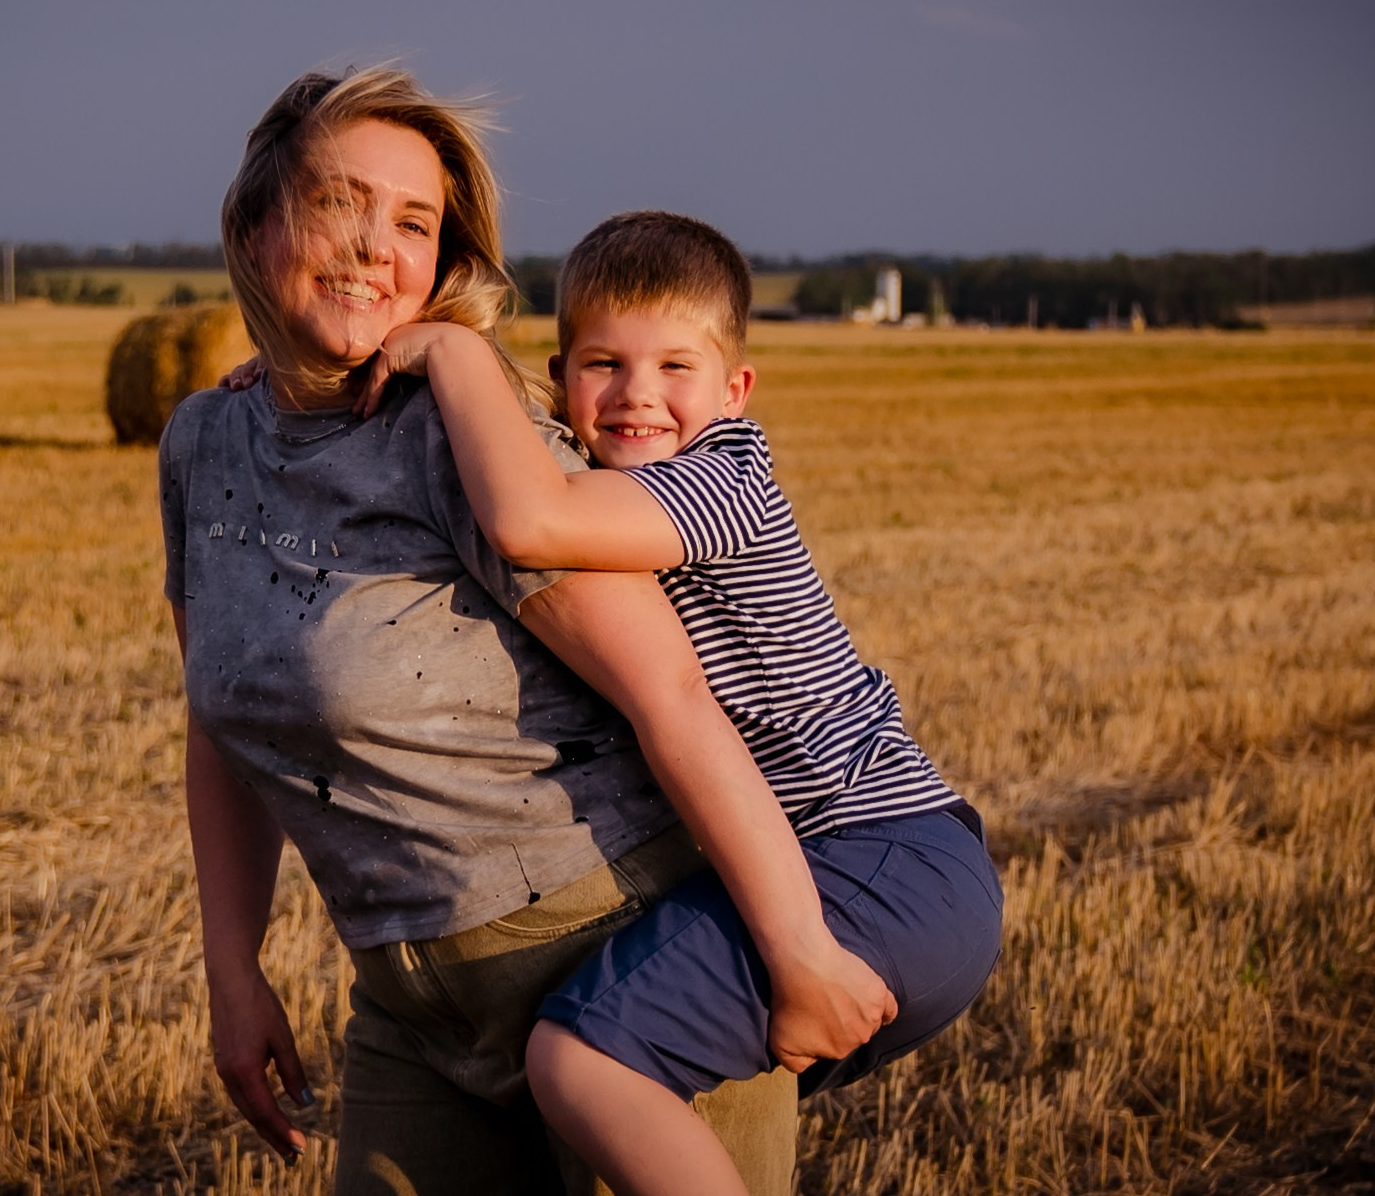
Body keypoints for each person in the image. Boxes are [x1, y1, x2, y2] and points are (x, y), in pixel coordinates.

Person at [160, 70, 883, 1195]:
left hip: (613, 972)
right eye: (337, 202)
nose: (371, 246)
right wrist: (230, 966)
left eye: (411, 222)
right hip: (405, 1002)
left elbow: (669, 693)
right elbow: (217, 725)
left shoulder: (457, 435)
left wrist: (793, 950)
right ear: (256, 225)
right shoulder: (200, 443)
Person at [354, 210, 1004, 1196]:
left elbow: (530, 516)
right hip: (851, 866)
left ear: (734, 390)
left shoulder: (726, 474)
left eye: (673, 368)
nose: (633, 396)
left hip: (874, 855)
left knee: (583, 1061)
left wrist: (445, 344)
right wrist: (293, 403)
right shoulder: (605, 461)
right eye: (602, 363)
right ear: (560, 375)